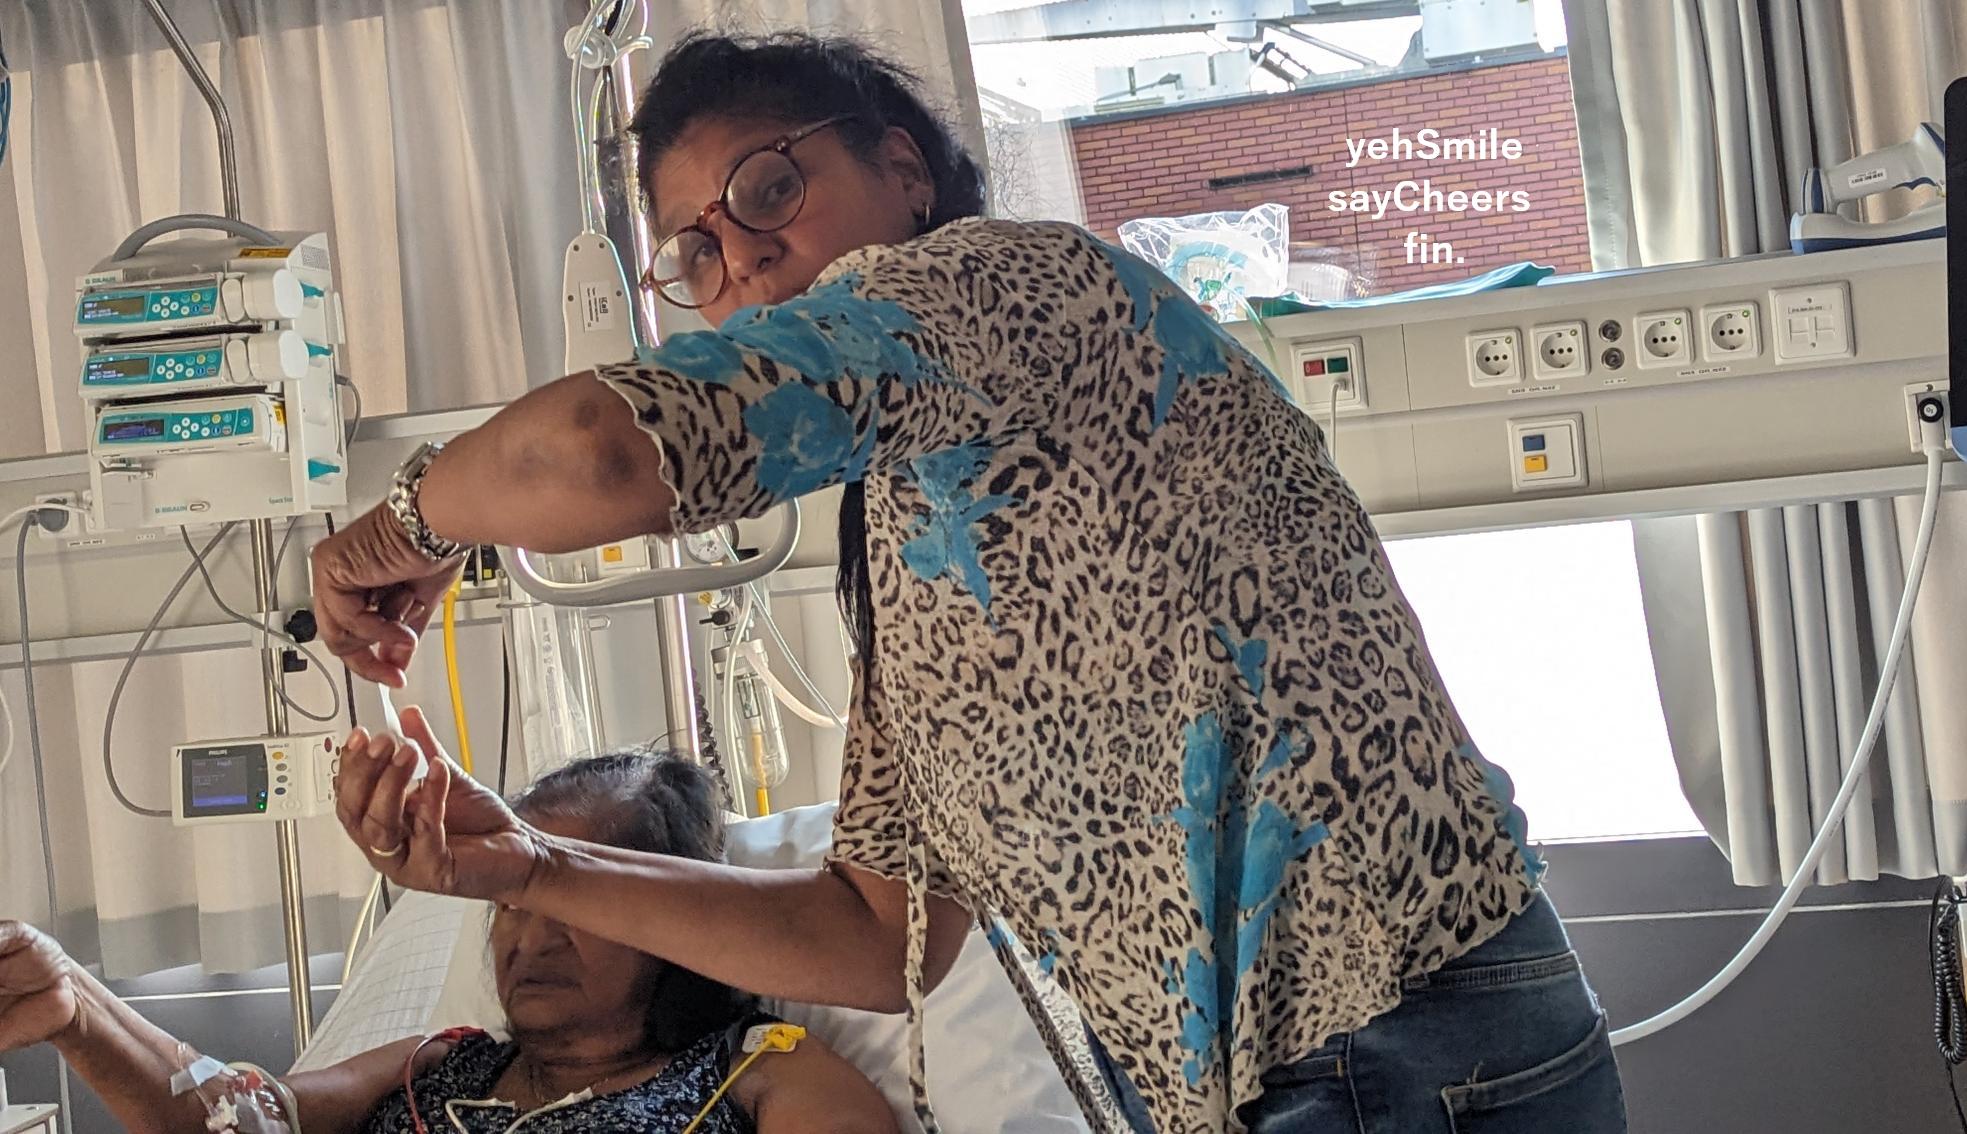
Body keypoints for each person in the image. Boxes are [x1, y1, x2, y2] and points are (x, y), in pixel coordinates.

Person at [311, 30, 1629, 1134]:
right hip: (1283, 1076)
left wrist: (404, 526)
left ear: (903, 171)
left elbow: (605, 450)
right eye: (694, 252)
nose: (741, 256)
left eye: (767, 188)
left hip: (1399, 1034)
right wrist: (530, 864)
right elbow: (874, 935)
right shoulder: (920, 537)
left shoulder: (1009, 285)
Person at [0, 719, 896, 1134]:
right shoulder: (438, 1064)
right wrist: (76, 1007)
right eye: (508, 902)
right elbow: (234, 1123)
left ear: (667, 910)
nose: (528, 937)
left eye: (564, 902)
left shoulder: (763, 1078)